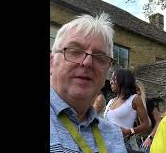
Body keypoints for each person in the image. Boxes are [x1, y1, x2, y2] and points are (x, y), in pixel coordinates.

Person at [50, 13, 127, 153]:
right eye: (75, 51)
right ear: (52, 62)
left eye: (100, 57)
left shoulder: (114, 134)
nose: (87, 62)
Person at [104, 69, 150, 152]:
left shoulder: (135, 99)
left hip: (122, 145)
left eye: (113, 79)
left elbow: (146, 125)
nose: (111, 82)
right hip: (106, 144)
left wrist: (129, 131)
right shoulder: (111, 101)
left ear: (123, 80)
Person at [135, 81, 162, 153]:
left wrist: (150, 138)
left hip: (152, 138)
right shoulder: (131, 106)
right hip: (138, 140)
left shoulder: (149, 103)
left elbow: (159, 122)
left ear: (139, 91)